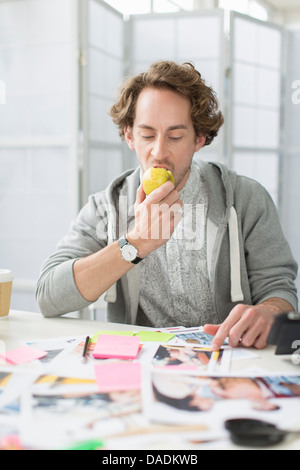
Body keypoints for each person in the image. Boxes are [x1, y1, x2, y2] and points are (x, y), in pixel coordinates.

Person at [36, 60, 298, 350]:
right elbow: (49, 295)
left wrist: (270, 311)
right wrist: (135, 243)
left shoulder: (247, 199)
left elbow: (280, 289)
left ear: (199, 138)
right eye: (147, 135)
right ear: (129, 135)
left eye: (175, 136)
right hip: (142, 366)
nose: (158, 151)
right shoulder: (105, 207)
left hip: (227, 359)